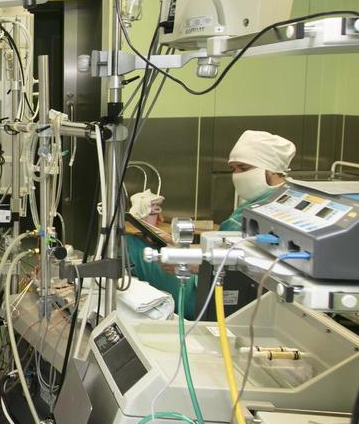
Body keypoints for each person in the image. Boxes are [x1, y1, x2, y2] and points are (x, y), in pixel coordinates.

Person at [124, 129, 297, 319]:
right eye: (234, 169)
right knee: (140, 243)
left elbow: (257, 269)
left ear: (271, 169)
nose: (237, 175)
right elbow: (228, 248)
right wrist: (179, 244)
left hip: (215, 297)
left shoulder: (283, 211)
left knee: (128, 247)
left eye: (243, 168)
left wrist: (196, 264)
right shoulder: (260, 202)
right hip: (209, 280)